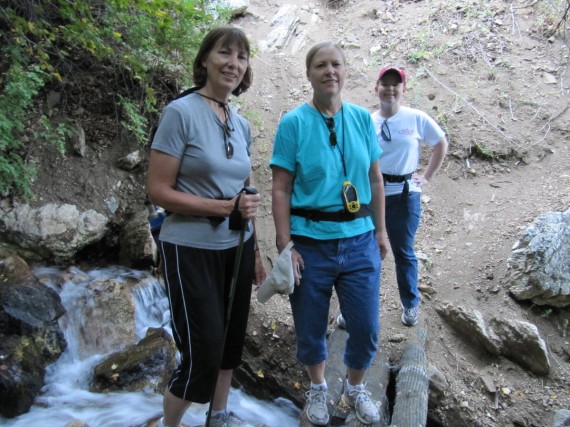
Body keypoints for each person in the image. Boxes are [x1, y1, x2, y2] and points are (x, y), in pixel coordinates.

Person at [146, 26, 266, 427]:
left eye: (242, 57)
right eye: (224, 53)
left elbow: (242, 196)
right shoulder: (180, 113)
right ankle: (171, 424)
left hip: (239, 247)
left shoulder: (241, 122)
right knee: (203, 352)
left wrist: (258, 249)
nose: (234, 63)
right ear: (204, 60)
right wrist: (220, 207)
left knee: (230, 344)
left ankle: (218, 416)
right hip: (190, 247)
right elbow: (157, 190)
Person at [270, 41, 389, 426]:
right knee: (309, 327)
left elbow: (375, 178)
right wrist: (285, 243)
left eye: (336, 64)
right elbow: (281, 188)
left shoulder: (361, 120)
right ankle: (318, 387)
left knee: (366, 326)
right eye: (320, 65)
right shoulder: (293, 123)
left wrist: (382, 231)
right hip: (310, 244)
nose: (329, 71)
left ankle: (354, 387)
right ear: (309, 74)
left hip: (359, 239)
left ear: (345, 71)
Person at [371, 65, 448, 326]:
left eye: (396, 84)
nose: (390, 89)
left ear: (403, 89)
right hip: (373, 196)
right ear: (376, 87)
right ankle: (357, 308)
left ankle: (410, 303)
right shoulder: (368, 121)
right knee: (368, 252)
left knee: (403, 252)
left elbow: (440, 143)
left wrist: (425, 177)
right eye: (385, 83)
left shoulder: (415, 118)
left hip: (404, 194)